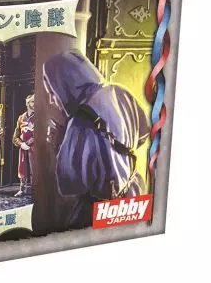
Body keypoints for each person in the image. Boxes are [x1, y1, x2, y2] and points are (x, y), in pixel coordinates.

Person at [43, 49, 150, 229]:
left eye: (53, 92)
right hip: (134, 194)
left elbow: (70, 183)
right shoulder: (119, 92)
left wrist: (60, 144)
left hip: (103, 210)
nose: (52, 100)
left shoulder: (79, 121)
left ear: (67, 83)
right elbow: (143, 134)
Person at [12, 94, 35, 197]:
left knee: (35, 168)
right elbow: (15, 136)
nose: (35, 104)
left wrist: (28, 143)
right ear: (27, 103)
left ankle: (36, 190)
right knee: (22, 168)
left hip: (35, 147)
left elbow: (40, 133)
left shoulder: (40, 117)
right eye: (32, 102)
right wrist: (21, 144)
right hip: (23, 147)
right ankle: (22, 189)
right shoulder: (21, 117)